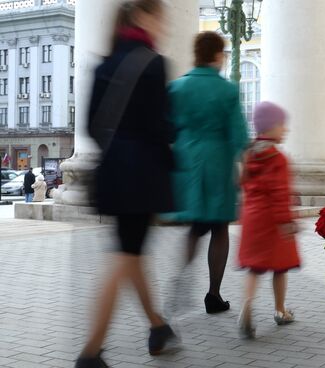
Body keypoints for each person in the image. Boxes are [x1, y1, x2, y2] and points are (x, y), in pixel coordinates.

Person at [76, 1, 176, 366]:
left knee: (131, 253)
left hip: (113, 171)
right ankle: (90, 352)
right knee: (123, 257)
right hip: (142, 173)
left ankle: (157, 324)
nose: (163, 25)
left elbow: (90, 125)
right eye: (160, 17)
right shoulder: (154, 63)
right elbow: (160, 126)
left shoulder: (103, 63)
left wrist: (117, 151)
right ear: (142, 17)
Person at [166, 31, 249, 314]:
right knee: (219, 228)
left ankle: (180, 279)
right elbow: (239, 135)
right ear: (216, 55)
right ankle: (213, 294)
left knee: (194, 228)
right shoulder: (227, 90)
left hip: (188, 164)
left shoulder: (177, 88)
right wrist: (244, 167)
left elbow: (167, 128)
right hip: (218, 164)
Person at [237, 101, 300, 339]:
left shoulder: (248, 154)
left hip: (252, 219)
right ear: (271, 127)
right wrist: (286, 221)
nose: (285, 130)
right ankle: (280, 310)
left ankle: (246, 306)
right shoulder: (278, 159)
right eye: (282, 125)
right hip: (274, 222)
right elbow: (280, 192)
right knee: (280, 268)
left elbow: (243, 184)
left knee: (254, 268)